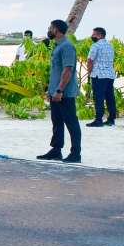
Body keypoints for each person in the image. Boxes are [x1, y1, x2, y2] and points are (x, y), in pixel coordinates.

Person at [39, 19, 82, 162]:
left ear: (56, 30)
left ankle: (76, 153)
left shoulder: (67, 46)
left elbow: (68, 69)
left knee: (70, 121)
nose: (49, 30)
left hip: (64, 92)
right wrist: (51, 90)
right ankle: (56, 150)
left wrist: (60, 90)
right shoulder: (57, 46)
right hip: (55, 91)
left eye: (50, 28)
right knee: (56, 121)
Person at [85, 27, 116, 127]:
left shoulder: (96, 46)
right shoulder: (110, 46)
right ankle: (111, 119)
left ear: (99, 35)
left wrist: (89, 72)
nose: (92, 36)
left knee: (99, 97)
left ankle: (98, 120)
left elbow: (90, 60)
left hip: (99, 74)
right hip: (110, 74)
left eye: (94, 34)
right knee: (110, 97)